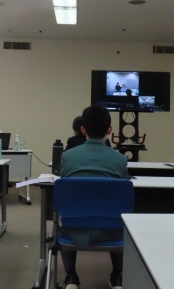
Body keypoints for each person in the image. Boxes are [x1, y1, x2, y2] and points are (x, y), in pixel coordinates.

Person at [59, 104, 127, 289]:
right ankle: (117, 276)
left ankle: (71, 277)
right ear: (109, 130)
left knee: (64, 217)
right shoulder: (120, 160)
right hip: (112, 230)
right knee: (120, 219)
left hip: (74, 229)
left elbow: (64, 188)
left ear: (83, 130)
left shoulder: (67, 157)